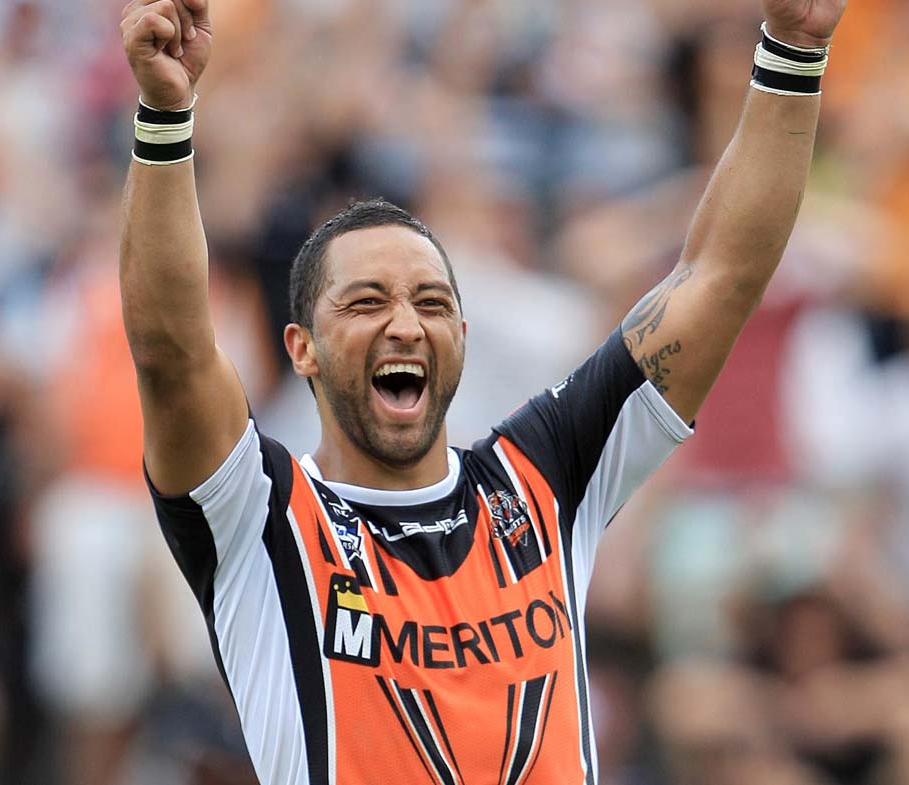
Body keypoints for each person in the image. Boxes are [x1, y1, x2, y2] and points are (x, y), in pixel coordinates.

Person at [116, 0, 848, 782]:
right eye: (366, 302)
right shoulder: (260, 521)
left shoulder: (549, 475)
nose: (405, 324)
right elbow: (171, 348)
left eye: (432, 303)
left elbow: (719, 276)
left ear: (461, 337)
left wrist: (794, 50)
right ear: (304, 350)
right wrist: (165, 115)